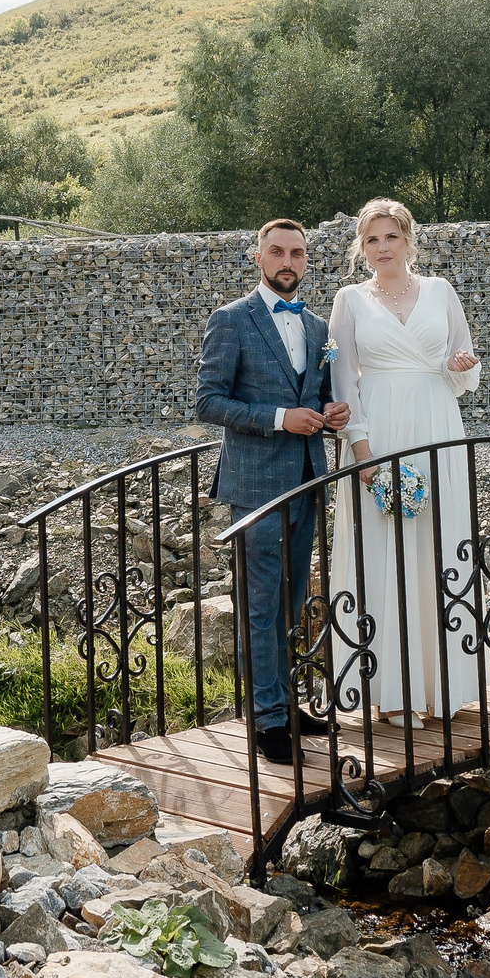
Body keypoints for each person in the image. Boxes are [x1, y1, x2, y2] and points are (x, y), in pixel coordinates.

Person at [194, 218, 349, 765]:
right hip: (257, 484)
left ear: (307, 260)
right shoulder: (231, 320)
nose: (289, 261)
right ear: (257, 257)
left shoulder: (316, 326)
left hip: (307, 478)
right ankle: (266, 723)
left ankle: (284, 703)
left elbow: (321, 392)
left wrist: (332, 412)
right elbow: (208, 402)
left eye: (298, 253)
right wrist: (282, 417)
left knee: (288, 601)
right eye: (278, 252)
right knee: (260, 604)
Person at [327, 197, 483, 726]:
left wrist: (460, 364)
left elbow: (462, 370)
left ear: (409, 239)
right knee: (383, 552)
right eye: (371, 239)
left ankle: (443, 686)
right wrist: (362, 453)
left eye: (390, 236)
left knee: (439, 545)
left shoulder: (441, 292)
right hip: (380, 432)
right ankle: (390, 692)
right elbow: (343, 381)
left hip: (438, 423)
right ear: (361, 247)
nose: (382, 248)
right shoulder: (349, 299)